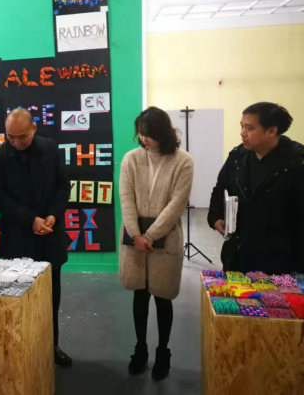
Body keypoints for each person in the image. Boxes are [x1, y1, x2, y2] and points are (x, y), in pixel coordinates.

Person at [0, 108, 72, 367]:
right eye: (10, 136)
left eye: (21, 136)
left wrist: (53, 215)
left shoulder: (51, 149)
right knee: (18, 295)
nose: (15, 142)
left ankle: (51, 345)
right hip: (18, 238)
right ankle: (21, 349)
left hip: (50, 235)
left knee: (51, 296)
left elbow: (63, 185)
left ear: (34, 129)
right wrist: (30, 220)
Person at [119, 107, 194, 381]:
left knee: (163, 297)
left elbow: (177, 203)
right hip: (134, 239)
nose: (143, 138)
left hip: (165, 239)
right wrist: (136, 234)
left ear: (163, 132)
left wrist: (150, 235)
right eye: (140, 133)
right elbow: (126, 197)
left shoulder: (183, 161)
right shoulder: (130, 159)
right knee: (139, 295)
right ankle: (140, 349)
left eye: (149, 133)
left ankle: (163, 352)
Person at [208, 102, 304, 274]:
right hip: (239, 251)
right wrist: (215, 217)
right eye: (242, 126)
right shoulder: (237, 157)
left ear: (271, 131)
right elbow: (221, 188)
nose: (242, 132)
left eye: (249, 128)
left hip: (281, 257)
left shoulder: (297, 161)